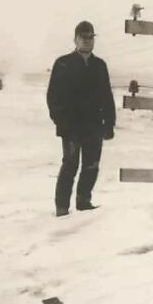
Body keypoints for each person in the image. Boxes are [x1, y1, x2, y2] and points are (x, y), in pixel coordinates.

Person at [47, 20, 115, 217]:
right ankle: (62, 208)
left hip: (93, 127)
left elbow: (106, 97)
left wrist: (108, 124)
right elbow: (53, 97)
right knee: (70, 165)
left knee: (91, 165)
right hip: (71, 128)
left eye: (90, 38)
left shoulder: (99, 66)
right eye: (83, 38)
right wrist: (61, 122)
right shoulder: (63, 63)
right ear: (75, 39)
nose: (86, 41)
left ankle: (84, 203)